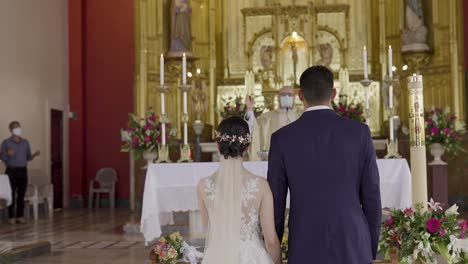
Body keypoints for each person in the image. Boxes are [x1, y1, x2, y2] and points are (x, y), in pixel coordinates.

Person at [268, 66, 382, 264]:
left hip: (305, 243)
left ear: (300, 95)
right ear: (334, 93)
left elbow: (276, 202)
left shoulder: (281, 139)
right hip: (353, 243)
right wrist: (368, 246)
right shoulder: (359, 133)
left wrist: (274, 251)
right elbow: (372, 196)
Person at [197, 117, 281, 264]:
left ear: (217, 145)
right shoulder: (260, 185)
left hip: (217, 257)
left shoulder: (203, 185)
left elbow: (209, 231)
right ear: (248, 146)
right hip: (253, 257)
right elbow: (271, 241)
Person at [245, 86, 301, 161]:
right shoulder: (267, 117)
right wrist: (249, 109)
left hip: (298, 159)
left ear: (294, 97)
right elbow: (254, 129)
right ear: (278, 97)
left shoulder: (302, 115)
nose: (286, 97)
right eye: (283, 95)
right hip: (274, 160)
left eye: (290, 95)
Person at [0, 121, 40, 224]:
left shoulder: (25, 142)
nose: (18, 129)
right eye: (15, 127)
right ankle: (11, 217)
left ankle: (20, 216)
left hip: (23, 170)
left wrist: (34, 155)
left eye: (18, 127)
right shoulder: (6, 142)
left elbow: (28, 157)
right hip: (11, 170)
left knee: (21, 194)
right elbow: (2, 158)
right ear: (11, 130)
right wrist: (7, 154)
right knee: (11, 194)